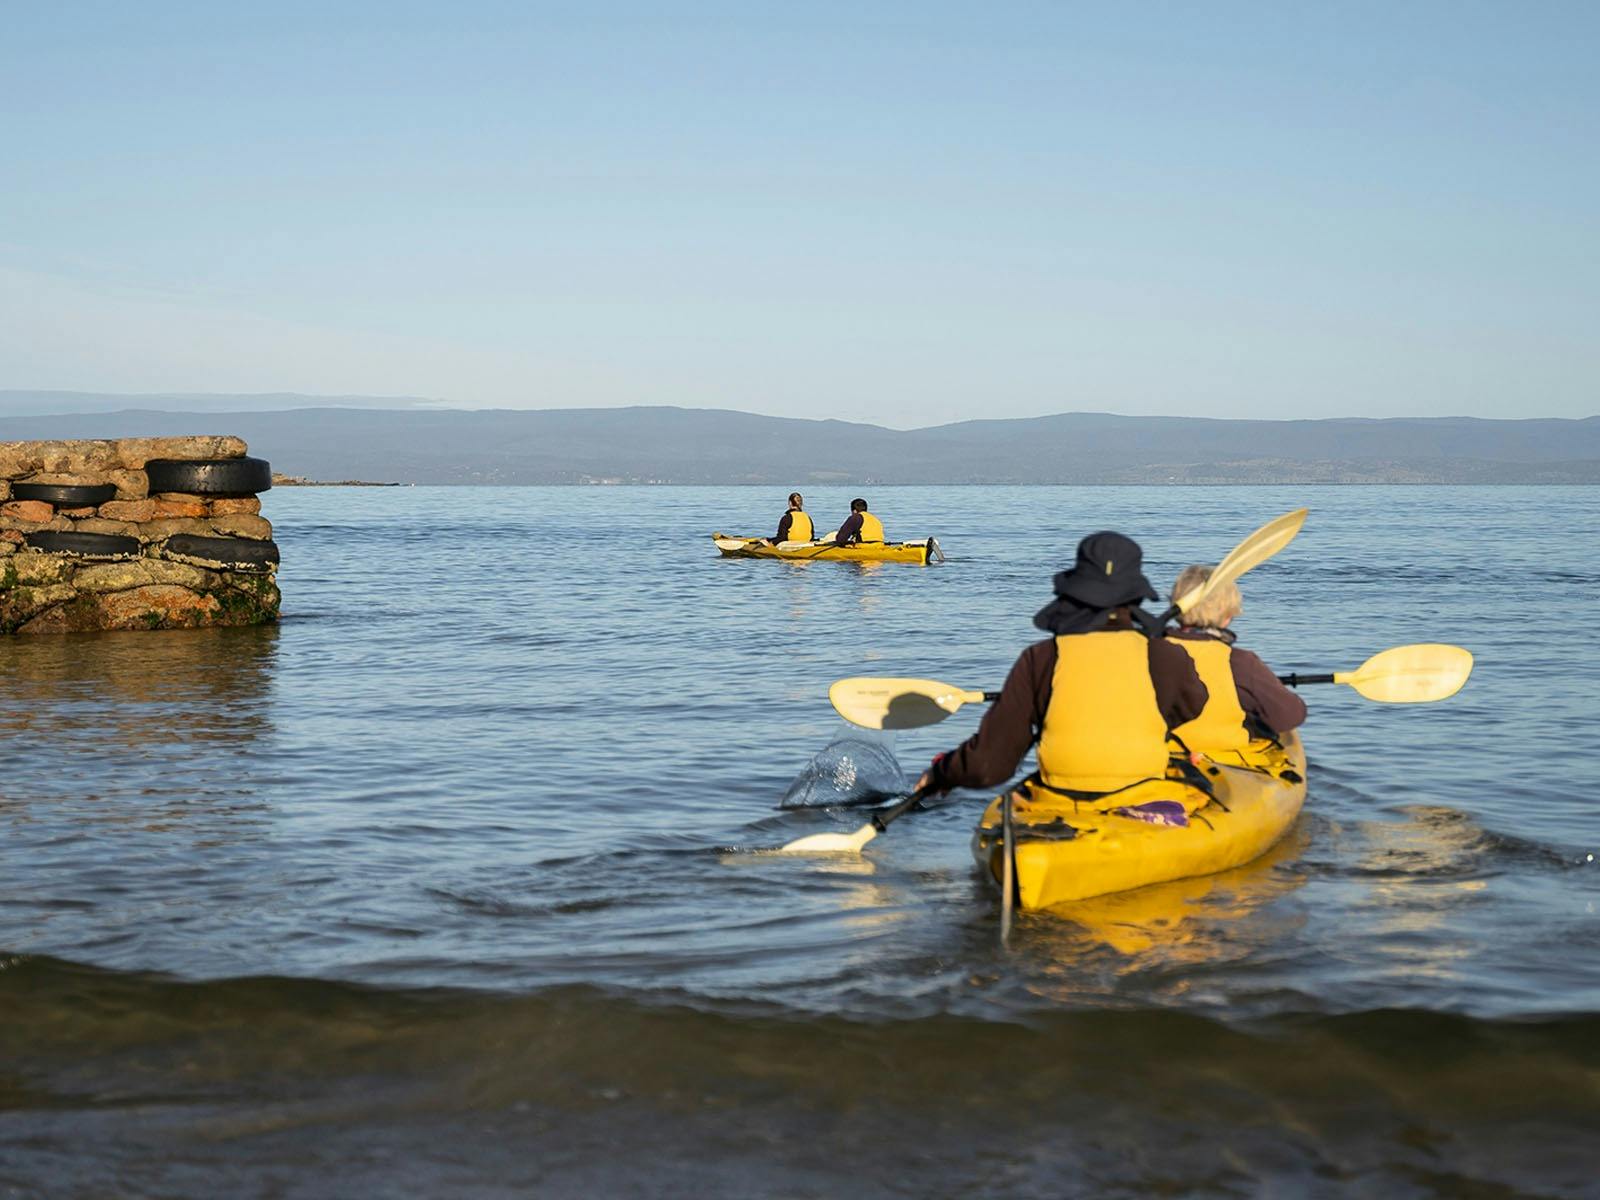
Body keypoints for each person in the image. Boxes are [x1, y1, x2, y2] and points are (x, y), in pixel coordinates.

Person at [917, 532, 1208, 798]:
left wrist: (943, 772)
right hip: (1146, 798)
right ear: (1135, 593)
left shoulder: (1040, 658)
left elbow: (989, 766)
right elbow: (1193, 705)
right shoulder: (1168, 656)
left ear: (1076, 588)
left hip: (1061, 801)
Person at [1163, 564, 1306, 753]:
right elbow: (1290, 715)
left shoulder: (1150, 650)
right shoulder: (1241, 662)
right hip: (1224, 753)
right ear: (1228, 615)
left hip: (1161, 749)